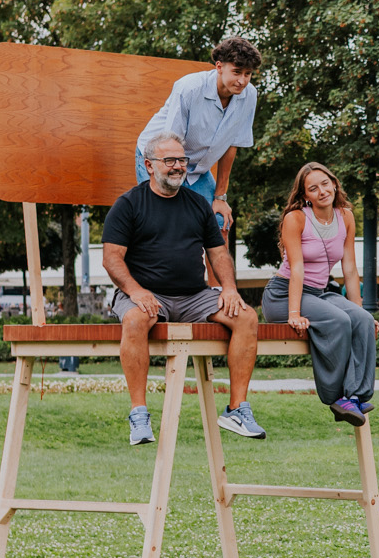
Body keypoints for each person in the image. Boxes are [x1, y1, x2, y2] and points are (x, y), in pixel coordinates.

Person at [105, 131, 262, 446]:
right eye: (170, 161)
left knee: (246, 316)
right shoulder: (128, 204)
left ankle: (236, 409)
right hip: (146, 294)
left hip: (195, 296)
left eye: (182, 160)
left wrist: (229, 288)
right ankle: (139, 416)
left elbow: (218, 254)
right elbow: (111, 259)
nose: (178, 166)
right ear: (149, 166)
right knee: (135, 320)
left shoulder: (198, 205)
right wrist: (136, 292)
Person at [260, 162, 379, 427]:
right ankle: (336, 398)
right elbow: (297, 269)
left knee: (360, 320)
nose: (322, 191)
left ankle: (356, 395)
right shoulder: (296, 218)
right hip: (283, 295)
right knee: (339, 321)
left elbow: (349, 267)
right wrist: (294, 312)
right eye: (313, 188)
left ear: (334, 183)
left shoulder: (345, 216)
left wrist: (362, 311)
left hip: (318, 294)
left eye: (325, 184)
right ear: (305, 195)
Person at [132, 36, 261, 236]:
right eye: (236, 72)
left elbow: (232, 145)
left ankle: (217, 269)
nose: (242, 80)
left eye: (248, 74)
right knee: (167, 224)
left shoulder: (249, 95)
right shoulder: (189, 88)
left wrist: (220, 197)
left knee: (219, 221)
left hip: (197, 167)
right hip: (160, 157)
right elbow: (171, 145)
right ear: (219, 67)